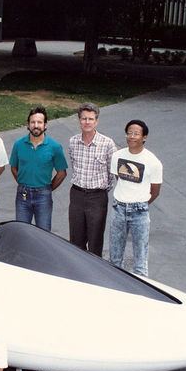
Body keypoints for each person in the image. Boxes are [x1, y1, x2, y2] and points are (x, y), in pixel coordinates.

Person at [109, 120, 163, 276]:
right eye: (129, 133)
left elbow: (155, 191)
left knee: (140, 259)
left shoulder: (153, 162)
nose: (132, 136)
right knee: (115, 257)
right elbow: (119, 178)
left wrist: (139, 202)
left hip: (140, 211)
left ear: (144, 137)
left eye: (136, 133)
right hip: (118, 209)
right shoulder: (117, 156)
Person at [67, 102, 117, 256]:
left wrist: (100, 190)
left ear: (97, 121)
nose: (87, 122)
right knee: (76, 240)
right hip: (77, 195)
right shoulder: (73, 142)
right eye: (84, 119)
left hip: (97, 197)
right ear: (79, 120)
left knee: (95, 240)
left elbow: (112, 172)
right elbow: (74, 165)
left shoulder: (107, 144)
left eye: (90, 119)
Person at [9, 106, 68, 231]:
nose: (36, 125)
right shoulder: (19, 144)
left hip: (43, 195)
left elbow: (62, 173)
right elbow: (13, 167)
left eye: (39, 122)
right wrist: (22, 182)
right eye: (33, 122)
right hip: (22, 195)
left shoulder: (54, 147)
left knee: (43, 234)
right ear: (28, 124)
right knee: (22, 232)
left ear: (45, 125)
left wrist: (48, 189)